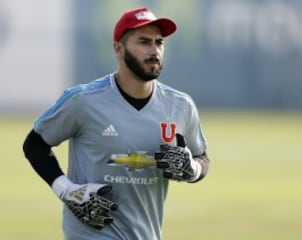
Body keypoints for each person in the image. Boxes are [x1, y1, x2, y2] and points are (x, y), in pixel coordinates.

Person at [22, 7, 210, 240]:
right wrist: (67, 191)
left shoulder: (180, 106)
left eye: (159, 43)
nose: (154, 51)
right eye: (143, 42)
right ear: (118, 49)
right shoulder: (83, 101)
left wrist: (192, 169)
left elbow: (202, 157)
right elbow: (34, 144)